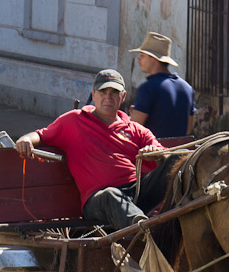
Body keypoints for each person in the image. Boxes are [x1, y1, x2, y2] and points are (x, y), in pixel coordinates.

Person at [15, 69, 171, 229]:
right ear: (93, 94)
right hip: (99, 200)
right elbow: (41, 135)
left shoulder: (136, 129)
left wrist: (157, 155)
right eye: (103, 91)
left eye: (114, 92)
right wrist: (26, 139)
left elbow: (166, 157)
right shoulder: (74, 120)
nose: (108, 97)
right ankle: (144, 232)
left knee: (176, 161)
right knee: (111, 195)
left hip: (136, 192)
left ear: (123, 97)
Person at [128, 32, 196, 138]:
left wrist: (131, 117)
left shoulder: (147, 88)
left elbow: (134, 128)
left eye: (142, 55)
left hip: (153, 151)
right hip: (180, 152)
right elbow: (189, 128)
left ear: (153, 58)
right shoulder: (188, 88)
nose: (139, 59)